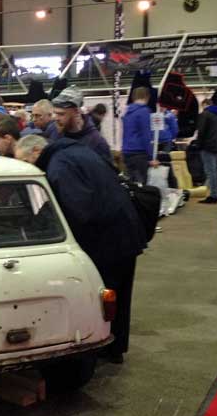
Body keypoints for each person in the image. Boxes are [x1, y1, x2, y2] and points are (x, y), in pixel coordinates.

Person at [15, 134, 146, 364]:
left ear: (36, 151)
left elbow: (77, 209)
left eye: (26, 162)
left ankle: (97, 348)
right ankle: (115, 348)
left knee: (99, 296)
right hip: (125, 229)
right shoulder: (76, 152)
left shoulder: (59, 166)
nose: (28, 168)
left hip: (106, 239)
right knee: (119, 295)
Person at [52, 86, 113, 163]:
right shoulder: (56, 133)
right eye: (55, 113)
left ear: (76, 112)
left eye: (61, 114)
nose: (55, 118)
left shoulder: (96, 143)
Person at [196, 101, 217, 204]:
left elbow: (201, 131)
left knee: (210, 172)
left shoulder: (205, 114)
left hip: (207, 146)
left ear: (204, 105)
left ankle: (213, 195)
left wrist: (198, 145)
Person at [120, 86, 157, 183]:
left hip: (126, 152)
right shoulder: (144, 111)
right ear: (147, 97)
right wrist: (151, 157)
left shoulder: (126, 112)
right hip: (139, 153)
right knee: (141, 185)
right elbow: (146, 135)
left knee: (130, 183)